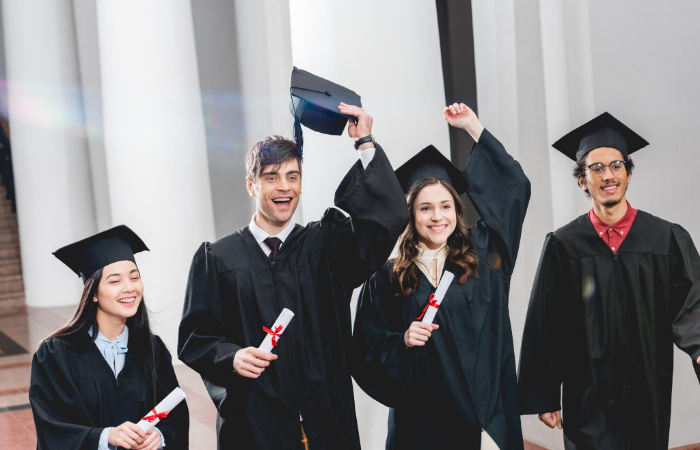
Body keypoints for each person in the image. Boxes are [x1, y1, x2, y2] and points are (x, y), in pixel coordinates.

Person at [178, 69, 408, 449]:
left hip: (325, 422)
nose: (284, 187)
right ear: (252, 185)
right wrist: (231, 357)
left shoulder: (327, 246)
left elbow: (388, 221)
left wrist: (364, 142)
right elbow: (195, 336)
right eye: (271, 178)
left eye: (292, 176)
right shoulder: (217, 258)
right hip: (256, 425)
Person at [352, 103, 531, 450]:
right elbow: (365, 352)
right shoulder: (387, 279)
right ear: (410, 214)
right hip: (422, 432)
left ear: (457, 209)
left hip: (487, 424)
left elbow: (513, 191)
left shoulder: (486, 257)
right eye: (425, 208)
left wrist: (473, 127)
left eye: (446, 206)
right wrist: (401, 340)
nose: (438, 217)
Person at [518, 112, 700, 449]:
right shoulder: (564, 245)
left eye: (616, 166)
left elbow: (693, 303)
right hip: (586, 390)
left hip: (647, 385)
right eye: (596, 168)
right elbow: (546, 321)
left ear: (629, 174)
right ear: (582, 181)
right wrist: (544, 395)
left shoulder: (665, 239)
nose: (608, 175)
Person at [30, 225, 189, 450]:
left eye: (134, 278)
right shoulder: (56, 355)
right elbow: (52, 428)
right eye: (115, 281)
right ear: (93, 292)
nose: (129, 288)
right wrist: (106, 437)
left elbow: (176, 417)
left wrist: (160, 435)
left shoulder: (152, 349)